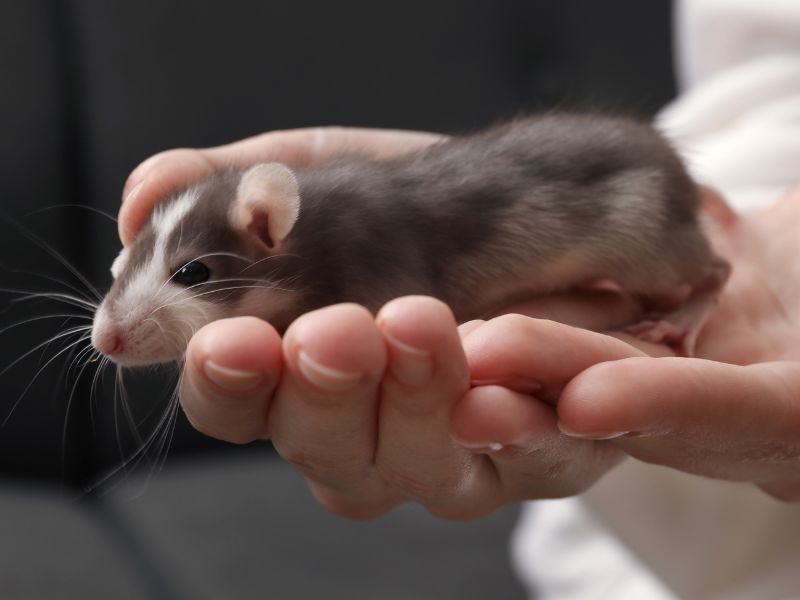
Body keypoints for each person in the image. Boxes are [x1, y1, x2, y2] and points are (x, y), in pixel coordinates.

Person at [115, 0, 800, 596]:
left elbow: (408, 297)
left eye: (192, 275)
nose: (116, 330)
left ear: (269, 227)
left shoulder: (362, 240)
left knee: (658, 260)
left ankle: (697, 292)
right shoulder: (320, 244)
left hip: (623, 187)